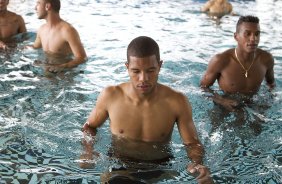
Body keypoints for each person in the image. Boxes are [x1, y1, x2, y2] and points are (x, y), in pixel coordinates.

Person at [82, 36, 213, 184]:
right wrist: (88, 151)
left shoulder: (176, 102)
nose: (143, 78)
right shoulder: (111, 96)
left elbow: (192, 143)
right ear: (127, 67)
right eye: (136, 71)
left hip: (160, 166)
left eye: (150, 70)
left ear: (160, 66)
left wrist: (197, 163)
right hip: (119, 165)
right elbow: (89, 127)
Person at [200, 15, 275, 112]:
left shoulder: (266, 59)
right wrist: (222, 101)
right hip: (223, 107)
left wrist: (267, 102)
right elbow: (203, 88)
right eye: (247, 34)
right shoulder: (220, 60)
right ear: (236, 36)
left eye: (257, 34)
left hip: (252, 105)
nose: (253, 39)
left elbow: (271, 84)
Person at [32, 0, 87, 73]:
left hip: (64, 76)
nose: (35, 8)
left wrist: (62, 67)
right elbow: (34, 47)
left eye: (38, 3)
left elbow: (82, 58)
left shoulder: (67, 31)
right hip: (46, 71)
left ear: (47, 6)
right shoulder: (41, 30)